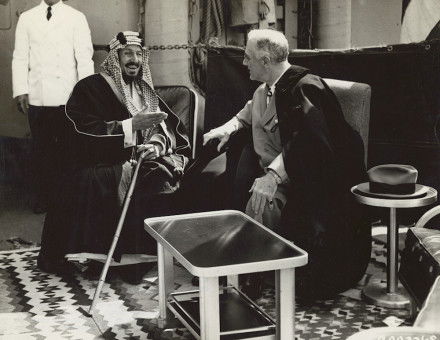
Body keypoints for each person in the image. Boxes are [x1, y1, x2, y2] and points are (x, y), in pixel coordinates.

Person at [203, 29, 371, 299]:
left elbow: (310, 141)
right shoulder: (264, 90)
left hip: (312, 184)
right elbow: (245, 116)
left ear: (266, 61)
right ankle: (250, 267)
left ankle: (252, 280)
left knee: (259, 204)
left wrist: (272, 176)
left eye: (248, 58)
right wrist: (225, 128)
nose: (244, 63)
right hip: (281, 177)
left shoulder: (306, 87)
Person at [37, 31, 191, 282]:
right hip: (98, 161)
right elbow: (79, 131)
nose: (134, 59)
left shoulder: (145, 90)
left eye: (138, 54)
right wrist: (130, 126)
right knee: (113, 177)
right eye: (127, 53)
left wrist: (155, 144)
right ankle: (105, 259)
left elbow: (164, 128)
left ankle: (134, 261)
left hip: (143, 160)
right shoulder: (90, 88)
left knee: (161, 174)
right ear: (114, 58)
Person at [12, 0, 94, 213]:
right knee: (42, 150)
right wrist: (21, 89)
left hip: (68, 98)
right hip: (38, 96)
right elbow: (20, 58)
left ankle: (68, 201)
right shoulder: (27, 18)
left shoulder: (76, 18)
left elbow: (84, 60)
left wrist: (86, 95)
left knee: (69, 150)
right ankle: (44, 198)